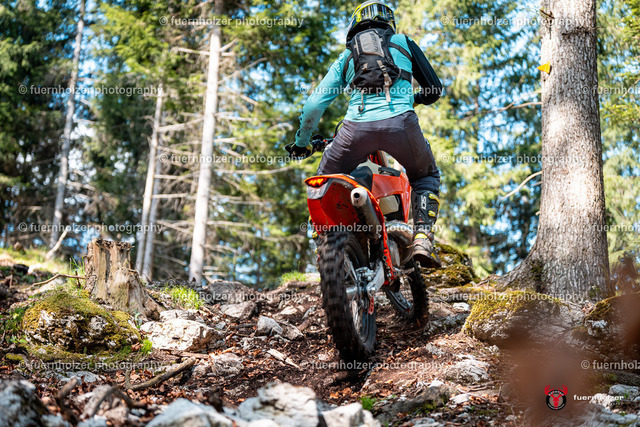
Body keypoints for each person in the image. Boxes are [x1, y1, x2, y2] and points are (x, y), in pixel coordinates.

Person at [289, 1, 443, 267]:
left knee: (324, 183)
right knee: (425, 177)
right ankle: (422, 238)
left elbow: (314, 104)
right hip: (402, 125)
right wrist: (412, 100)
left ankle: (324, 245)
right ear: (389, 22)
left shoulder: (348, 55)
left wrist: (302, 143)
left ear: (354, 25)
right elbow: (434, 89)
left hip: (355, 130)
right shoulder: (403, 42)